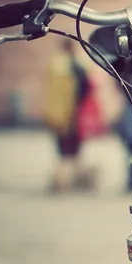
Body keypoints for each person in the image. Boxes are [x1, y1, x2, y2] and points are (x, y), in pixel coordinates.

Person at [43, 39, 96, 192]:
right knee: (71, 152)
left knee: (64, 152)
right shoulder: (76, 66)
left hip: (57, 115)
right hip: (72, 116)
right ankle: (63, 183)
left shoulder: (54, 64)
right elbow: (85, 90)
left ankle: (65, 182)